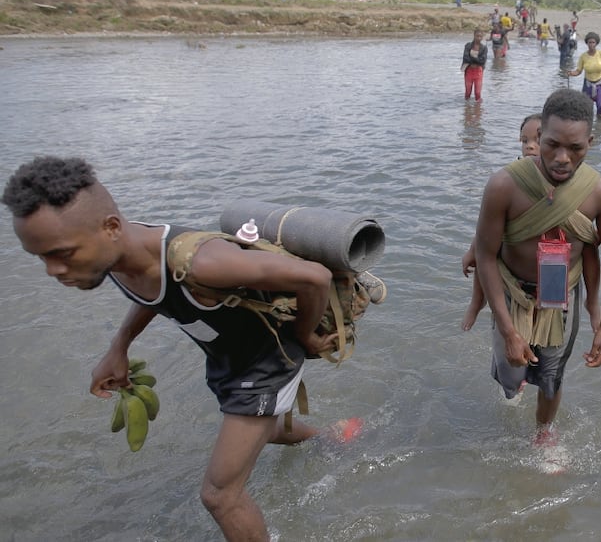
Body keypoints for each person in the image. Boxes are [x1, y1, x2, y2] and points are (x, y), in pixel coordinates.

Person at [2, 156, 367, 542]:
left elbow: (314, 277)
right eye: (41, 257)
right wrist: (119, 345)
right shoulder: (113, 255)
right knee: (262, 430)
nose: (52, 270)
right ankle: (331, 437)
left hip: (267, 365)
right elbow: (152, 292)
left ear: (110, 228)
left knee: (220, 496)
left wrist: (307, 337)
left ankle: (326, 438)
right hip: (229, 361)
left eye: (62, 254)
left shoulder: (205, 264)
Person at [473, 88, 601, 446]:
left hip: (561, 295)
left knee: (553, 374)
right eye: (552, 144)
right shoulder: (504, 186)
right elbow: (485, 255)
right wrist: (509, 331)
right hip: (511, 292)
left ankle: (544, 434)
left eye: (576, 149)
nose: (562, 159)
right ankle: (513, 384)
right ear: (539, 136)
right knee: (511, 377)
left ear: (591, 141)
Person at [462, 114, 601, 332]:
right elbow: (487, 228)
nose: (530, 147)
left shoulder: (572, 179)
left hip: (558, 254)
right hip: (514, 249)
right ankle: (476, 301)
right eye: (524, 141)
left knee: (588, 244)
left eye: (536, 142)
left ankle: (592, 302)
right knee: (486, 253)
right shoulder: (511, 178)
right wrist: (472, 249)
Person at [568, 31, 601, 117]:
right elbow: (578, 71)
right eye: (589, 42)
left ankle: (600, 126)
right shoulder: (583, 56)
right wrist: (571, 73)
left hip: (599, 84)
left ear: (596, 43)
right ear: (587, 43)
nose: (591, 44)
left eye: (593, 42)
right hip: (588, 85)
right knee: (585, 109)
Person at [462, 28, 487, 101]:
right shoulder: (468, 46)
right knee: (467, 92)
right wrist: (477, 59)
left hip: (478, 71)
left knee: (478, 93)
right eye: (477, 36)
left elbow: (483, 61)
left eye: (480, 36)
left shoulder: (484, 48)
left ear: (482, 37)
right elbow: (466, 58)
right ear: (474, 36)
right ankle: (467, 109)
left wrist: (472, 58)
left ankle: (478, 110)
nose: (478, 38)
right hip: (468, 71)